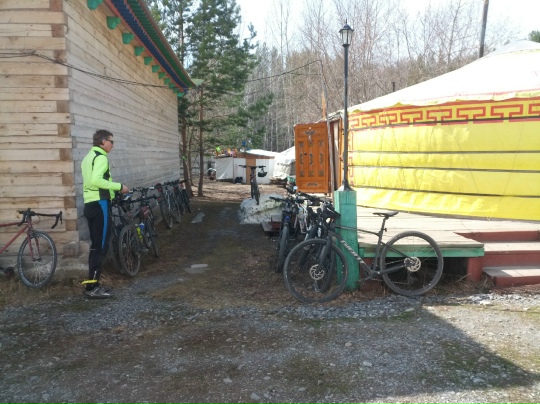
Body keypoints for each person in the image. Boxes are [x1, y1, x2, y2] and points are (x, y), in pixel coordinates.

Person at [81, 129, 129, 299]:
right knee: (101, 246)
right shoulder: (101, 157)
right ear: (102, 142)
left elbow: (91, 181)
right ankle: (92, 288)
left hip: (89, 203)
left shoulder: (88, 157)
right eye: (111, 141)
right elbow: (96, 180)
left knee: (96, 245)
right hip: (100, 204)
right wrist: (119, 187)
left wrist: (112, 192)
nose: (112, 145)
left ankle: (92, 284)